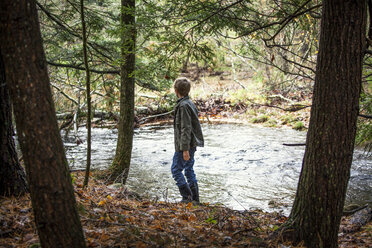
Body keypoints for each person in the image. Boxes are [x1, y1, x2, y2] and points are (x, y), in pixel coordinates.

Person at [171, 77, 204, 203]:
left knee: (176, 170)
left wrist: (184, 149)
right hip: (191, 143)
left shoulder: (184, 106)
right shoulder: (189, 103)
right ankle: (195, 199)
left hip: (185, 145)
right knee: (189, 170)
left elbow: (185, 128)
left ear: (176, 90)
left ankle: (187, 198)